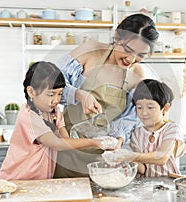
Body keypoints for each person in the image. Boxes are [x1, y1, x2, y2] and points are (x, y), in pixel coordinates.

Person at [55, 13, 159, 178]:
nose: (131, 59)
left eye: (140, 55)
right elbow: (49, 86)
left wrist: (118, 140)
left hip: (102, 158)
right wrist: (79, 94)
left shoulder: (138, 74)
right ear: (117, 36)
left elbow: (129, 118)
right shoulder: (91, 51)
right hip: (67, 150)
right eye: (127, 49)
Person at [0, 61, 116, 180]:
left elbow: (66, 141)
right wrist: (94, 142)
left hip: (40, 181)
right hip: (17, 180)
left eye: (60, 94)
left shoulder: (55, 113)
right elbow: (57, 143)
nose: (56, 100)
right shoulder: (29, 116)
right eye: (51, 94)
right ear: (31, 92)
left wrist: (99, 145)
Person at [103, 79, 186, 177]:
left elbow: (162, 157)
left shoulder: (172, 129)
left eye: (150, 107)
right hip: (147, 185)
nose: (144, 113)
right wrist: (123, 160)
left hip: (169, 185)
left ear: (165, 108)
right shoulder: (136, 134)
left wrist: (129, 156)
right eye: (139, 107)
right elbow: (143, 169)